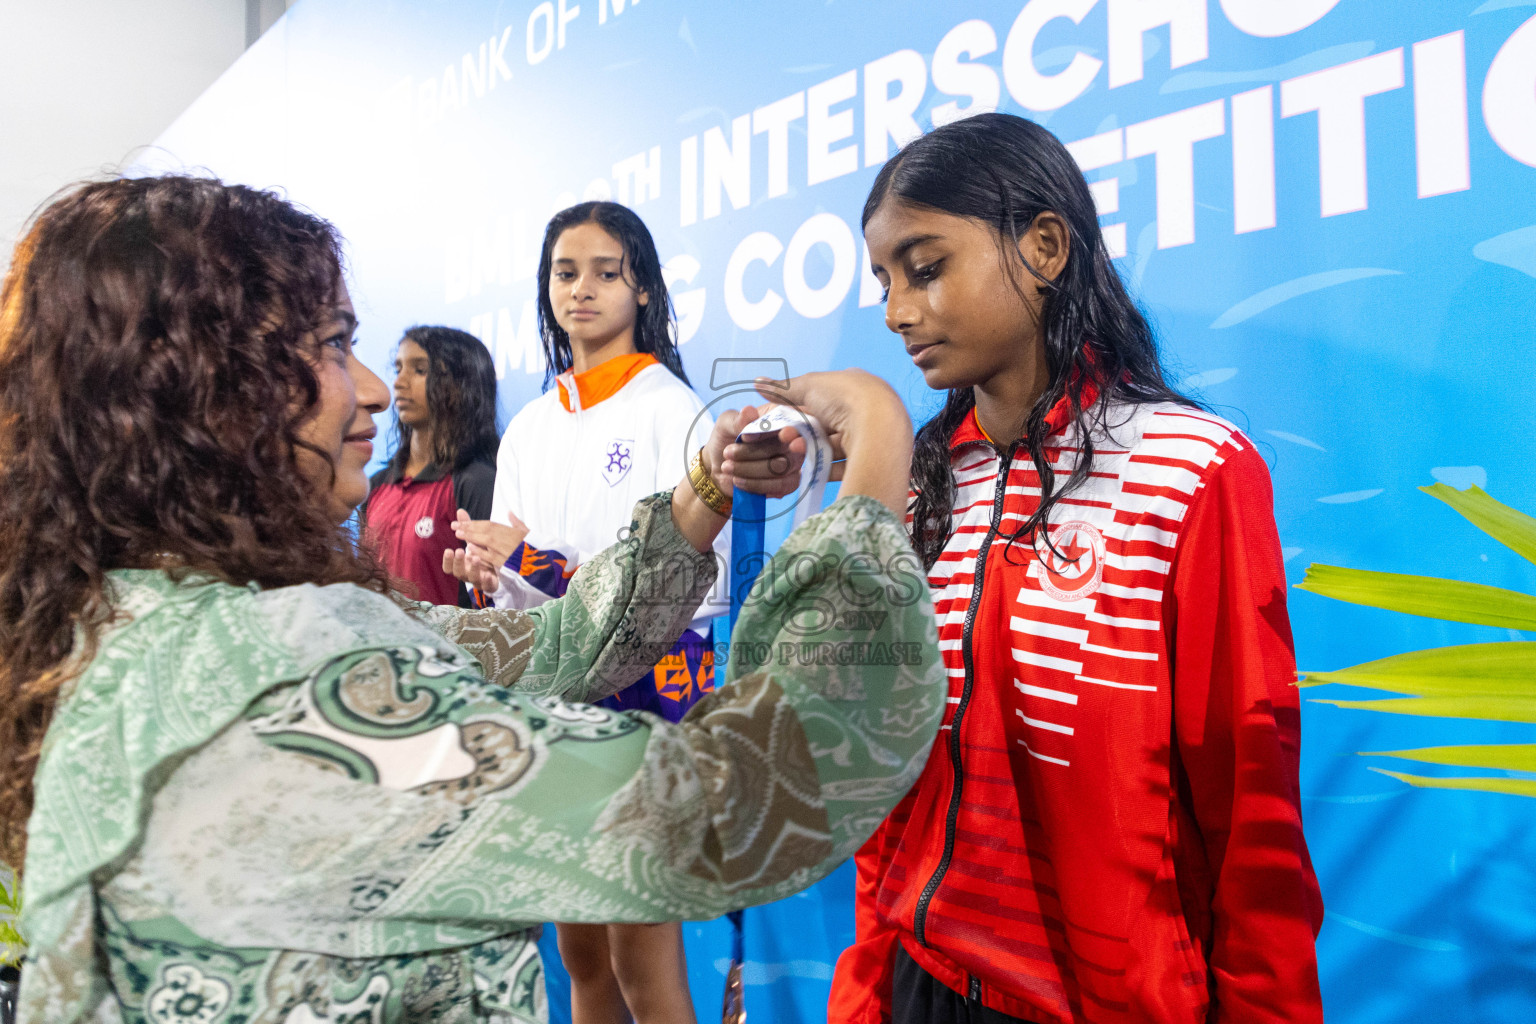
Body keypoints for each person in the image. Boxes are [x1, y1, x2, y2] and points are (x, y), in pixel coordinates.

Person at [0, 175, 943, 1024]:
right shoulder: (281, 693)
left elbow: (550, 649)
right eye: (333, 346)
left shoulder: (142, 619)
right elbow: (738, 798)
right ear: (204, 392)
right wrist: (874, 451)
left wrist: (700, 487)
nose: (373, 391)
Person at [827, 113, 1324, 1024]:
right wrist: (864, 993)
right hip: (920, 985)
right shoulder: (920, 491)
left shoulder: (1187, 470)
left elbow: (1249, 810)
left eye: (926, 268)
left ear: (1046, 246)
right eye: (885, 281)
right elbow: (884, 781)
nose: (897, 311)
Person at [447, 201, 726, 1024]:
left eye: (607, 272)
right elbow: (520, 583)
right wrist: (487, 570)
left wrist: (532, 561)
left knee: (643, 948)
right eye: (565, 273)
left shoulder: (674, 411)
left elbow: (681, 581)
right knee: (578, 951)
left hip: (647, 691)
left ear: (642, 289)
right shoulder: (531, 425)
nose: (583, 290)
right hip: (552, 690)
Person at [361, 325, 499, 606]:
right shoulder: (375, 485)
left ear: (460, 386)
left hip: (451, 649)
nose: (399, 382)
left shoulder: (476, 481)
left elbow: (494, 599)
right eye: (398, 368)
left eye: (419, 370)